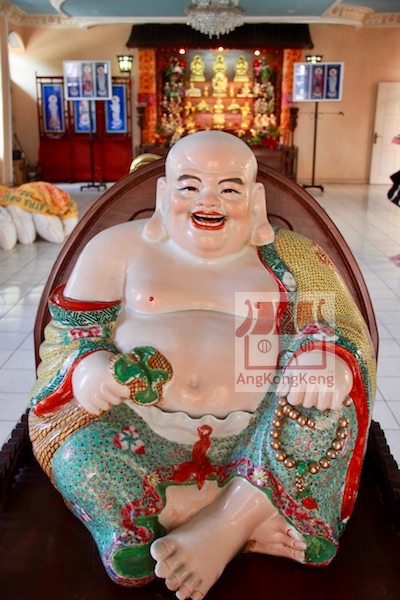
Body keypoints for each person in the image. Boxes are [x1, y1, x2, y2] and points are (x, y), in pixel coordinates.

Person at [29, 131, 376, 600]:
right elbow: (69, 333)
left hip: (255, 439)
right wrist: (89, 366)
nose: (208, 201)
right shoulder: (117, 249)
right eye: (190, 186)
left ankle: (223, 520)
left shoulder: (291, 258)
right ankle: (238, 518)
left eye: (229, 189)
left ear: (255, 201)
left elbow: (337, 331)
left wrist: (323, 354)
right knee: (80, 454)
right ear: (163, 193)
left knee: (326, 405)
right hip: (138, 431)